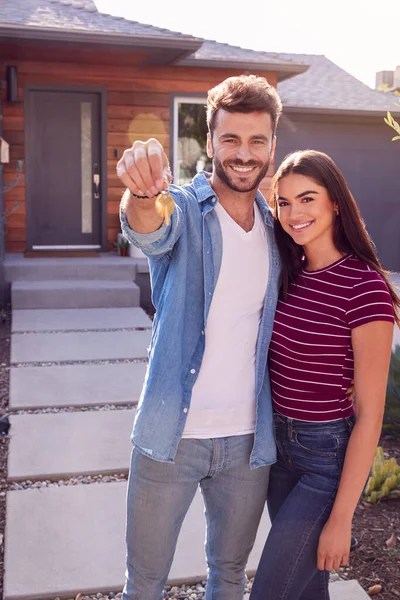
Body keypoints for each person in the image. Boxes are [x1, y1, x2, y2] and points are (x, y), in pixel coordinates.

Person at [116, 74, 282, 600]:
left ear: (272, 145)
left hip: (247, 442)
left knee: (229, 577)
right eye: (230, 139)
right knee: (144, 586)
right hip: (171, 436)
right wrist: (142, 193)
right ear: (210, 142)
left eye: (257, 140)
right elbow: (149, 226)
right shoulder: (184, 206)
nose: (243, 153)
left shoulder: (277, 227)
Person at [249, 149, 400, 600]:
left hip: (325, 459)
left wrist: (342, 517)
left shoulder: (364, 286)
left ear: (336, 202)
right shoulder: (286, 273)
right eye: (284, 202)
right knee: (306, 589)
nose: (295, 214)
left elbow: (370, 416)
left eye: (308, 199)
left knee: (271, 591)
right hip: (279, 452)